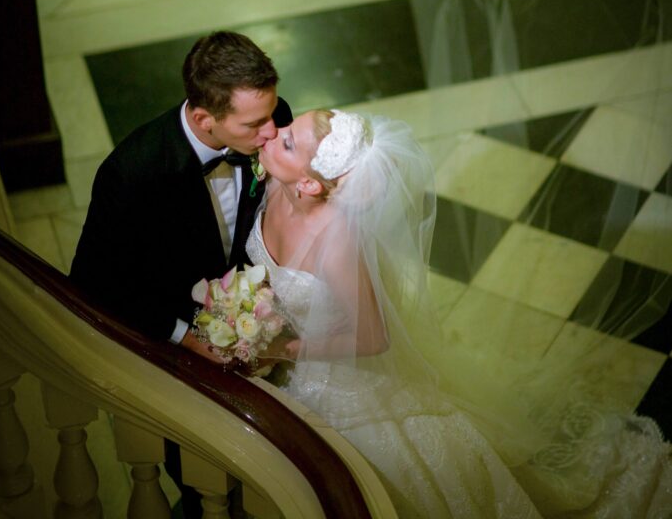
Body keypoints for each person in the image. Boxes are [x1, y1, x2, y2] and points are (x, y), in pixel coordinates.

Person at [240, 108, 672, 519]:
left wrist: (286, 349)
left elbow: (374, 339)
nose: (271, 134)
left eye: (288, 142)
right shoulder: (278, 183)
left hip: (334, 377)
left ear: (312, 185)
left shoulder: (337, 248)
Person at [70, 30, 292, 517]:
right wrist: (182, 336)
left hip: (259, 326)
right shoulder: (133, 172)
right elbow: (92, 281)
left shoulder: (272, 123)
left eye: (272, 115)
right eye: (255, 123)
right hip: (176, 350)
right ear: (203, 118)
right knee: (203, 478)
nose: (272, 134)